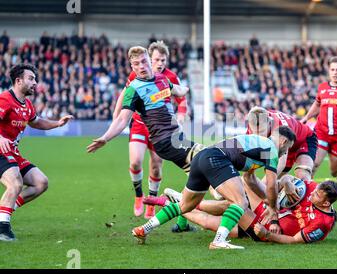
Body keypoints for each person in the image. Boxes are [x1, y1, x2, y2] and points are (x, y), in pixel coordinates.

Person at [86, 46, 203, 229]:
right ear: (133, 67)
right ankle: (141, 196)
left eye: (145, 62)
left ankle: (164, 208)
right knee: (136, 162)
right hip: (149, 131)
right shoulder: (134, 85)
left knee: (168, 168)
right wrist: (107, 135)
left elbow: (178, 92)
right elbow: (123, 116)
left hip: (169, 135)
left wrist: (186, 91)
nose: (143, 66)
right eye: (136, 64)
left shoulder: (165, 78)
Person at [132, 127, 296, 249]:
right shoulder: (272, 150)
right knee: (240, 202)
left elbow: (250, 179)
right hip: (217, 159)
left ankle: (144, 229)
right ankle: (219, 241)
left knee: (185, 206)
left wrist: (267, 201)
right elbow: (272, 183)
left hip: (202, 157)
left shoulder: (260, 145)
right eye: (288, 148)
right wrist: (274, 209)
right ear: (283, 142)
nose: (285, 153)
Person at [113, 41, 188, 223]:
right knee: (136, 162)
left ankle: (151, 203)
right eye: (156, 59)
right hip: (139, 124)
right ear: (149, 58)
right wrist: (116, 117)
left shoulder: (169, 77)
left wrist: (181, 115)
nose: (160, 63)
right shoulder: (135, 75)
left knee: (156, 165)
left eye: (163, 60)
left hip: (161, 129)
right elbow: (124, 96)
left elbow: (182, 99)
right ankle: (139, 195)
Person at [147, 174, 337, 244]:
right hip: (268, 213)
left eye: (317, 196)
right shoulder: (315, 188)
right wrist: (288, 181)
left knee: (211, 220)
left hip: (261, 229)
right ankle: (182, 202)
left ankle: (174, 203)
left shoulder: (321, 223)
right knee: (242, 186)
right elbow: (290, 178)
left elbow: (294, 240)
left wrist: (268, 235)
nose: (313, 193)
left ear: (326, 203)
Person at [0, 64, 73, 241]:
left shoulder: (27, 104)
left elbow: (36, 122)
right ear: (18, 81)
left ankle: (4, 211)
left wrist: (57, 123)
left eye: (35, 79)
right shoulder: (4, 99)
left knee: (41, 183)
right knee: (15, 184)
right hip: (1, 151)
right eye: (31, 78)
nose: (35, 83)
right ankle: (2, 228)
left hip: (13, 153)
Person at [247, 106, 317, 180]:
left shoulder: (280, 129)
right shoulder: (253, 121)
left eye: (262, 131)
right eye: (255, 133)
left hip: (303, 140)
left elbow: (281, 163)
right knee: (276, 183)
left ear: (269, 123)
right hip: (283, 147)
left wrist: (263, 184)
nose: (259, 136)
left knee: (303, 175)